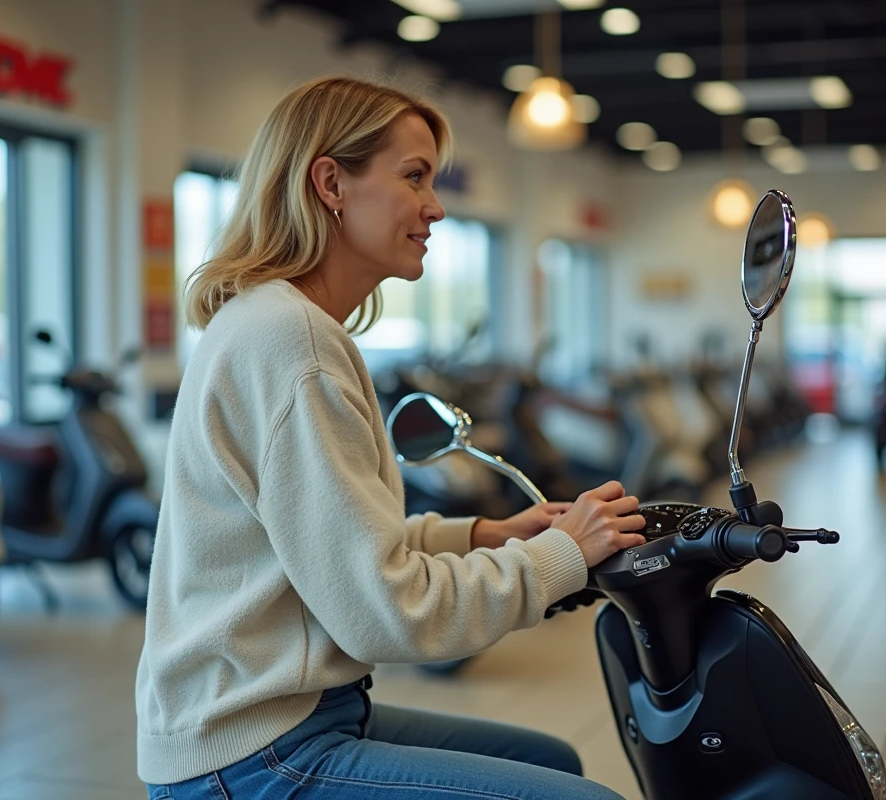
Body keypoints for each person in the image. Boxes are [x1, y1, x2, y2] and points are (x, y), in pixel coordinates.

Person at [135, 76, 646, 800]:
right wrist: (559, 557)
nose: (436, 207)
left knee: (554, 760)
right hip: (250, 750)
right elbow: (386, 613)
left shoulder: (283, 325)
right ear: (330, 182)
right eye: (414, 178)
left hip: (294, 712)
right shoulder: (292, 342)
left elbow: (326, 543)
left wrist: (480, 536)